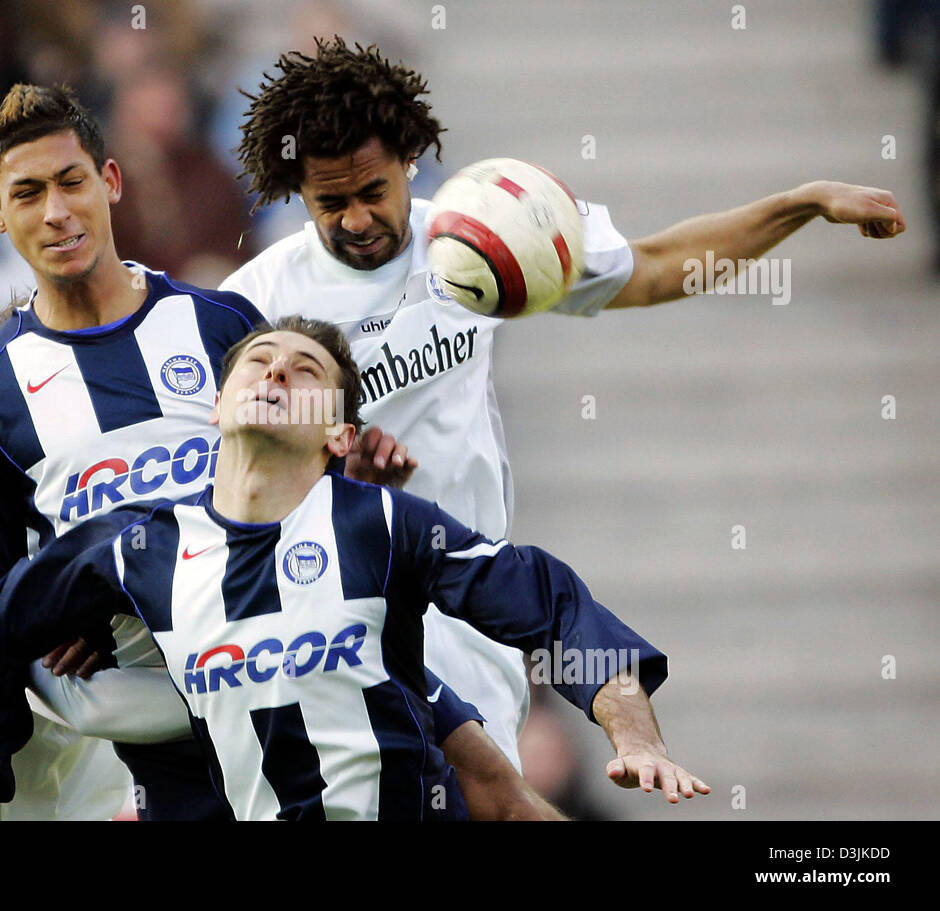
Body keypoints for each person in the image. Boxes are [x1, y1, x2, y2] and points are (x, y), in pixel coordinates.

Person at [216, 37, 907, 773]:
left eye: (372, 192)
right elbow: (222, 482)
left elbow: (660, 267)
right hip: (327, 620)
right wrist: (331, 475)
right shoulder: (254, 308)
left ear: (410, 162)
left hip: (468, 611)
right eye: (332, 202)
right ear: (297, 190)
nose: (356, 219)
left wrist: (799, 203)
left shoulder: (479, 237)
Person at [0, 317, 709, 820]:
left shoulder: (384, 528)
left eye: (303, 367)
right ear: (213, 407)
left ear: (339, 432)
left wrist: (637, 732)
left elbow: (553, 606)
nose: (275, 370)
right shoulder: (137, 551)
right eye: (258, 359)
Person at [0, 83, 510, 821]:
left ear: (110, 181)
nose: (56, 212)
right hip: (151, 742)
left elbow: (295, 496)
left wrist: (344, 477)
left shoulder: (221, 328)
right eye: (28, 193)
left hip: (286, 691)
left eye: (71, 182)